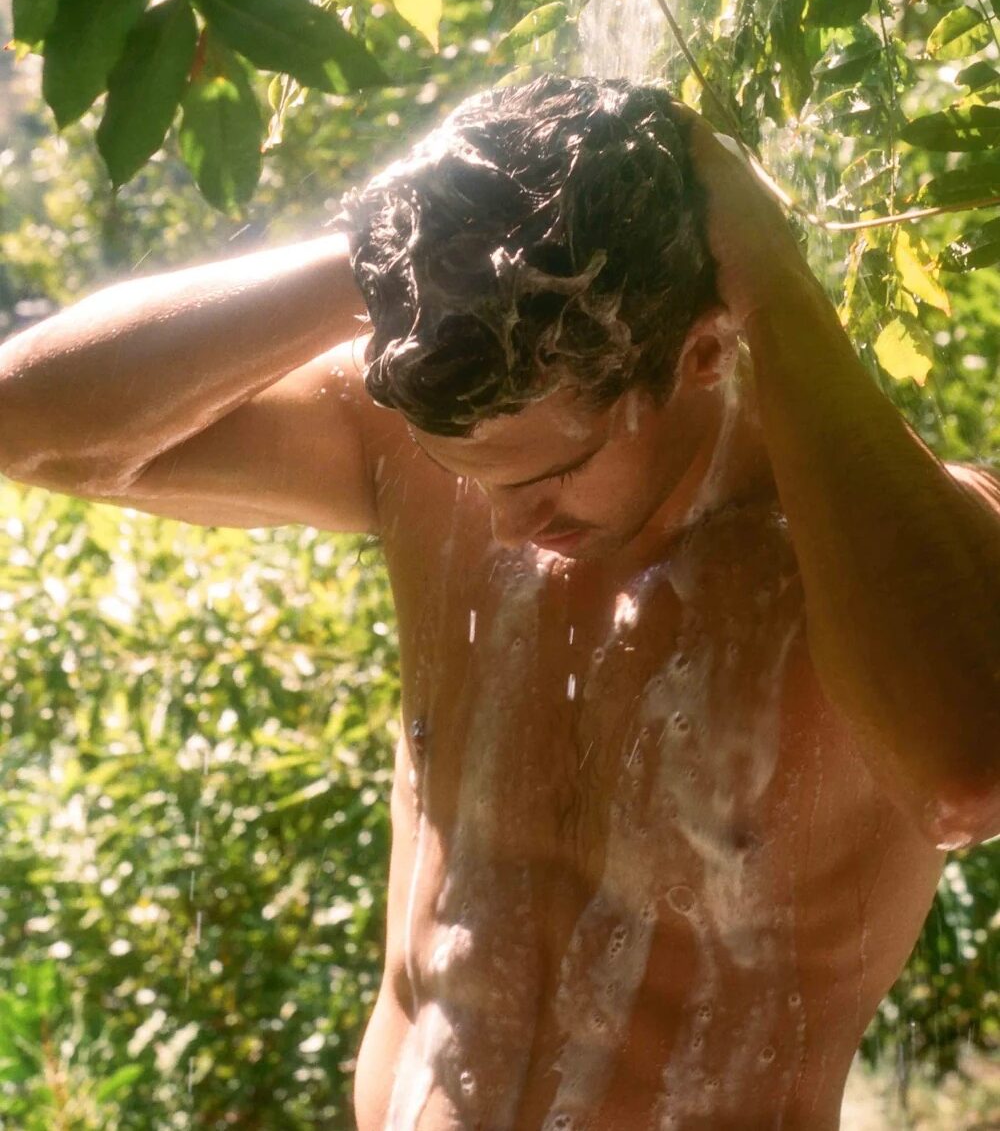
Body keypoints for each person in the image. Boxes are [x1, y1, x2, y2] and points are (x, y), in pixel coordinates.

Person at [1, 74, 998, 1130]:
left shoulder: (888, 552)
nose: (509, 527)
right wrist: (393, 248)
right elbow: (33, 427)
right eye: (475, 479)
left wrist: (775, 284)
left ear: (702, 351)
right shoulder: (423, 465)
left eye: (548, 476)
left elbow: (966, 774)